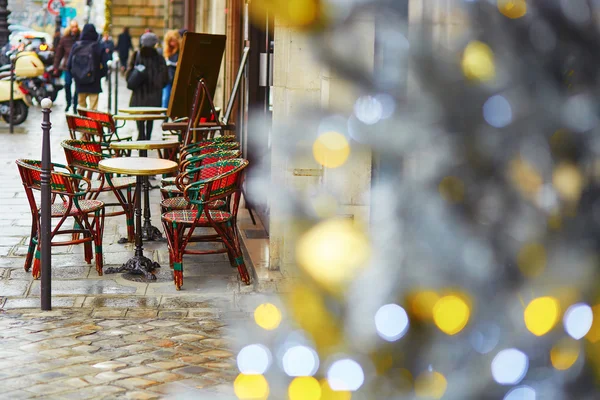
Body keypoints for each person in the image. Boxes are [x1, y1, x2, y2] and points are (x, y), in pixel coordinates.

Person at [126, 32, 168, 140]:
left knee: (139, 119)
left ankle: (141, 135)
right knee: (150, 120)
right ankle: (147, 138)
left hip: (138, 95)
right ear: (155, 43)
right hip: (153, 95)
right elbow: (165, 78)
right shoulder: (159, 58)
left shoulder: (137, 55)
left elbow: (129, 75)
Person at [68, 23, 106, 110]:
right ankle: (92, 123)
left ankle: (82, 123)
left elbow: (69, 64)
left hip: (80, 82)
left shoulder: (76, 46)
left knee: (81, 107)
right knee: (93, 108)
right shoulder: (98, 46)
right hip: (94, 81)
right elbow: (105, 65)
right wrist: (99, 75)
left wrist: (76, 75)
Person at [53, 20, 80, 112]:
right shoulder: (65, 39)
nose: (74, 29)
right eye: (73, 27)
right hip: (67, 66)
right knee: (67, 84)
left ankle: (75, 104)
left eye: (76, 26)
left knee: (78, 86)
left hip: (78, 66)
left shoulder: (80, 37)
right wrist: (56, 67)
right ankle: (68, 102)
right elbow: (59, 53)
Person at [162, 30, 181, 109]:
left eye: (173, 41)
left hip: (176, 77)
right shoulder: (167, 50)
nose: (172, 43)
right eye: (170, 41)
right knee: (165, 98)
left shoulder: (179, 50)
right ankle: (165, 117)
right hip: (167, 77)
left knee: (176, 99)